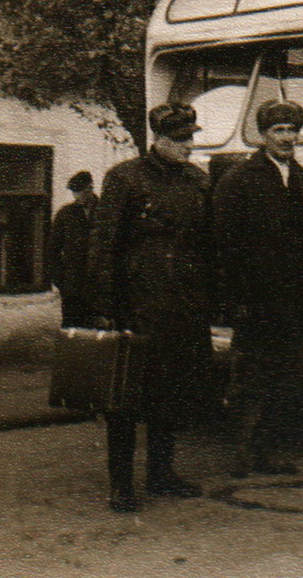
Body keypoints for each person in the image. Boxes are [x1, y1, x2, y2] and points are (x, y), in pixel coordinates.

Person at [89, 103, 214, 513]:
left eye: (191, 137)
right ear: (157, 140)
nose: (188, 146)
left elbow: (207, 245)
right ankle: (121, 485)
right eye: (180, 139)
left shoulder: (198, 181)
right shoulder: (124, 179)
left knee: (170, 394)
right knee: (125, 401)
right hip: (136, 307)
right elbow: (103, 246)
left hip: (182, 306)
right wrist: (104, 307)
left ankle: (162, 474)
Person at [212, 99, 303, 479]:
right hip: (256, 302)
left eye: (292, 130)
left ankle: (267, 453)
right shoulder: (239, 180)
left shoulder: (300, 177)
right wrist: (235, 301)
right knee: (250, 379)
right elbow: (225, 247)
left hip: (292, 302)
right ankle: (242, 456)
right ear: (263, 136)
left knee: (285, 379)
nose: (286, 138)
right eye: (278, 131)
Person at [47, 171, 97, 328]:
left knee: (99, 331)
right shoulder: (65, 214)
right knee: (72, 329)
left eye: (79, 192)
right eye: (74, 192)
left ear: (90, 188)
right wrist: (60, 279)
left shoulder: (106, 211)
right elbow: (52, 250)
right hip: (73, 284)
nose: (76, 197)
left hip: (99, 283)